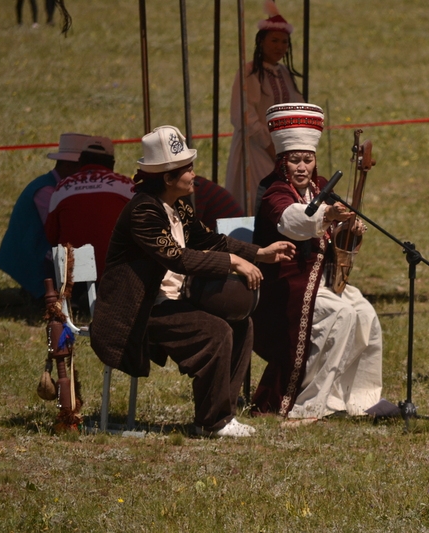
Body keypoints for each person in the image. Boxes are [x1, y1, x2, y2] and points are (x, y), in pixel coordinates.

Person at [90, 125, 295, 438]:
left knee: (241, 324)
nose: (193, 174)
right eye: (187, 169)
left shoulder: (178, 206)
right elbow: (178, 258)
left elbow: (206, 239)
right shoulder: (143, 212)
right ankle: (211, 423)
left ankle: (223, 414)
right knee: (216, 332)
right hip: (140, 311)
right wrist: (233, 263)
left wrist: (259, 253)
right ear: (168, 178)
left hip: (171, 303)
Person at [250, 103, 383, 420]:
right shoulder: (275, 191)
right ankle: (309, 403)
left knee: (365, 315)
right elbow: (292, 221)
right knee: (340, 315)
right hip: (283, 288)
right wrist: (327, 215)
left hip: (319, 280)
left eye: (307, 159)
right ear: (283, 161)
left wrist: (348, 227)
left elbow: (335, 235)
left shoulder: (321, 187)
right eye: (294, 160)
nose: (301, 167)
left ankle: (355, 400)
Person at [225, 0, 304, 213]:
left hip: (283, 151)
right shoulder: (250, 72)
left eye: (284, 42)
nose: (280, 47)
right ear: (261, 42)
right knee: (259, 201)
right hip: (256, 149)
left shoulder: (285, 74)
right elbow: (244, 115)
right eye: (274, 41)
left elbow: (297, 107)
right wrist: (269, 145)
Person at [0, 133, 89, 299]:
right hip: (30, 257)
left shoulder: (52, 186)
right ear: (67, 165)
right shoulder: (47, 191)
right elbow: (61, 230)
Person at [44, 136, 134, 278]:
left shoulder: (61, 187)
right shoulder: (128, 186)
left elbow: (51, 235)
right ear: (112, 163)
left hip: (73, 275)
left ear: (80, 161)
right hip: (117, 273)